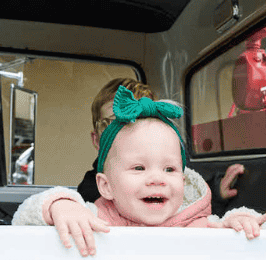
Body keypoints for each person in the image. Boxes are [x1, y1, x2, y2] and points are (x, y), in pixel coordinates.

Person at [12, 85, 266, 256]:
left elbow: (262, 237)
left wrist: (242, 221)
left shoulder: (198, 224)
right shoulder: (96, 219)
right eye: (139, 168)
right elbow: (21, 223)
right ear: (105, 186)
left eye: (169, 169)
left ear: (183, 179)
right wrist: (61, 206)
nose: (157, 178)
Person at [77, 77, 244, 203]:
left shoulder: (173, 173)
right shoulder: (90, 190)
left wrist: (215, 193)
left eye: (141, 123)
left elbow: (190, 204)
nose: (129, 134)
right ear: (97, 140)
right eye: (114, 124)